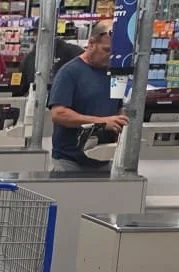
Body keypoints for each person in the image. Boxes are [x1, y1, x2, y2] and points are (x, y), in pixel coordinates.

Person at [47, 22, 126, 173]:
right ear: (91, 43)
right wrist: (101, 122)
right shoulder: (69, 72)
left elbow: (118, 107)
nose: (111, 56)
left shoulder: (113, 74)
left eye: (115, 52)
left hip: (104, 159)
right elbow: (59, 114)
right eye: (106, 50)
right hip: (70, 162)